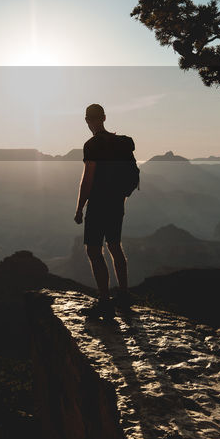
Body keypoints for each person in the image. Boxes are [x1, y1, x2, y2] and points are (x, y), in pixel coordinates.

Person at [73, 103, 133, 318]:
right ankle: (124, 295)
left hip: (98, 204)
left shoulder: (92, 145)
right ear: (104, 118)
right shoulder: (120, 143)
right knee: (115, 246)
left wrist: (80, 208)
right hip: (117, 203)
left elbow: (87, 179)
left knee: (94, 250)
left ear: (87, 120)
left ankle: (105, 301)